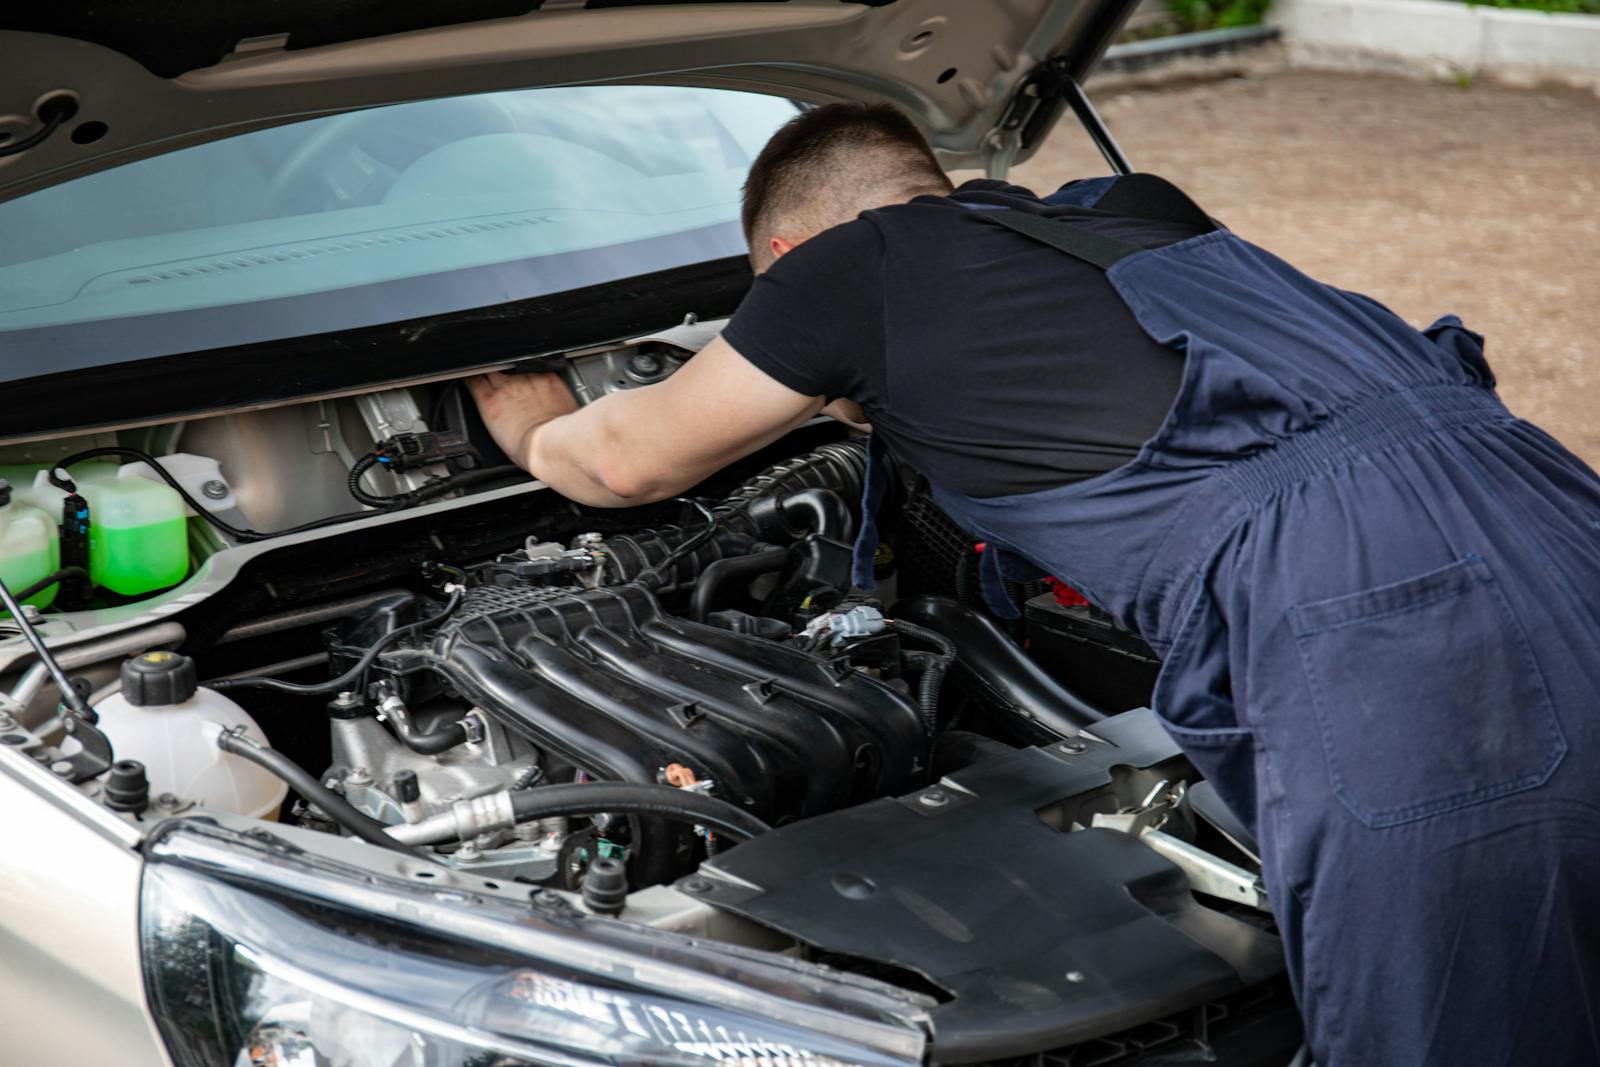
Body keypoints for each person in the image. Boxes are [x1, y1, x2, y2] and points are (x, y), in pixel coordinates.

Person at [470, 103, 1600, 1066]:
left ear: (783, 251)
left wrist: (530, 425)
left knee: (1449, 1005)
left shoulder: (848, 264)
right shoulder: (1133, 212)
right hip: (1547, 505)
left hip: (1376, 604)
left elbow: (624, 464)